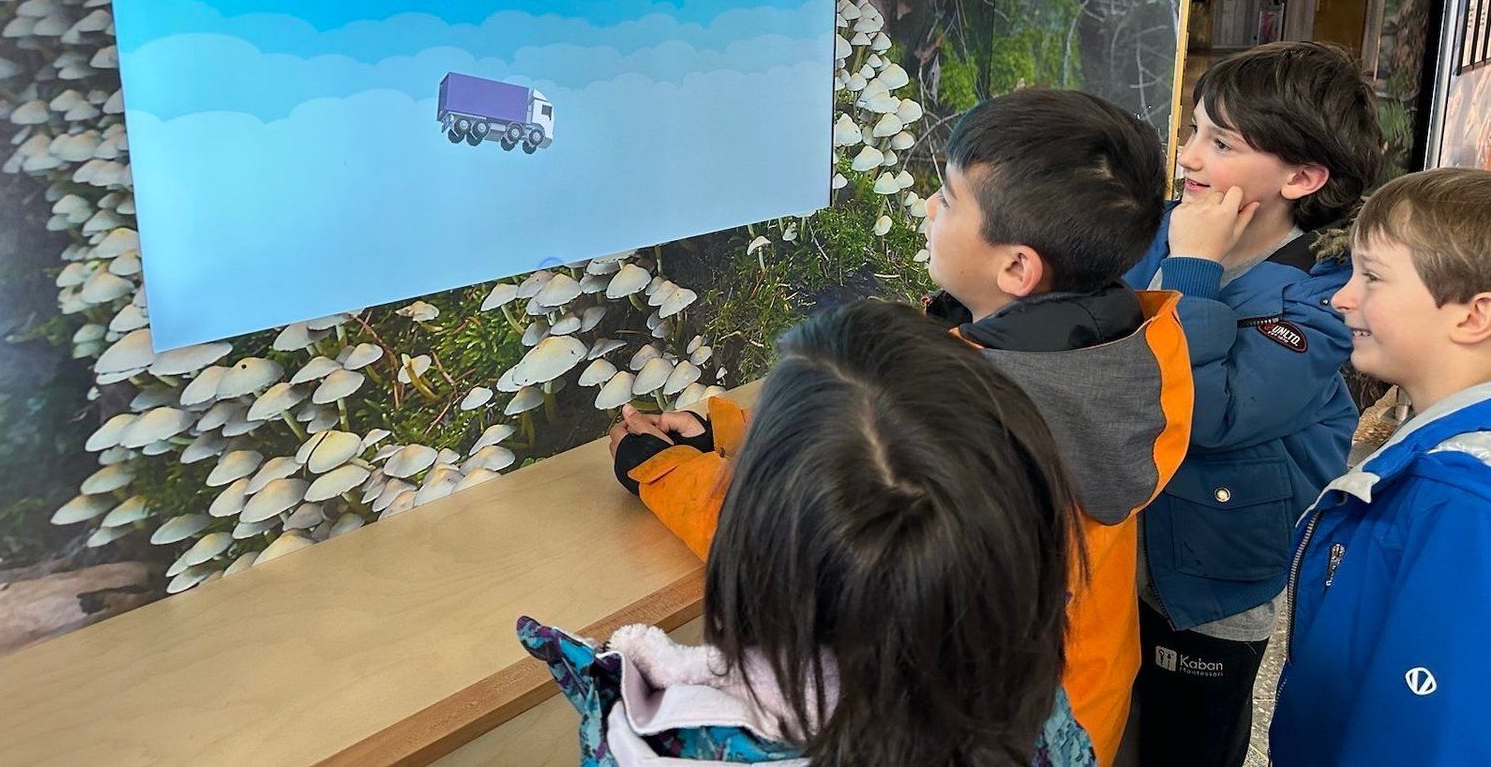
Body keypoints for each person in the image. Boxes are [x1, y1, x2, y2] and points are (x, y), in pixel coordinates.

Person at [610, 89, 1195, 766]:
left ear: (1017, 267)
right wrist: (747, 429)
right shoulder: (1119, 356)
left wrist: (664, 466)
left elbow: (817, 546)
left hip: (989, 731)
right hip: (1076, 712)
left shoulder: (990, 409)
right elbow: (872, 437)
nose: (925, 207)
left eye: (946, 198)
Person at [521, 300, 1096, 766]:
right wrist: (729, 435)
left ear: (754, 533)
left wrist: (671, 467)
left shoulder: (649, 740)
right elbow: (875, 465)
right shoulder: (1024, 692)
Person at [1121, 41, 1383, 767]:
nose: (1190, 155)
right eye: (1194, 130)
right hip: (1127, 543)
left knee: (1190, 744)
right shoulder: (1159, 230)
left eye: (1222, 142)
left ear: (1302, 175)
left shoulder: (1325, 298)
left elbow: (1210, 412)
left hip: (1214, 582)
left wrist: (1195, 269)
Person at [1269, 168, 1491, 766]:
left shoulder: (1460, 499)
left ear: (1472, 315)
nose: (1342, 295)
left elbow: (1433, 736)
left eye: (1371, 276)